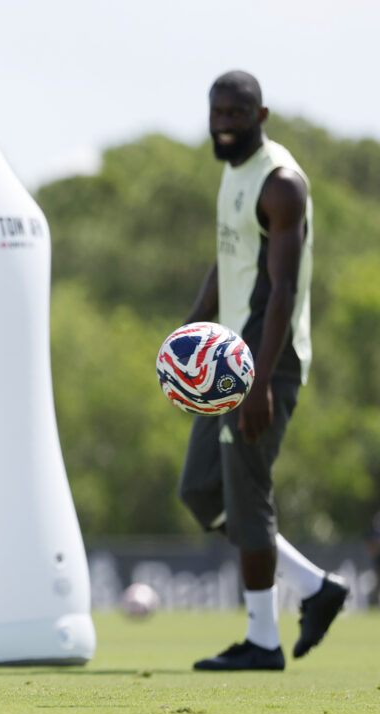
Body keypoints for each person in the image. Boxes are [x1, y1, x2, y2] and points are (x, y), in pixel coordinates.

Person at [178, 71, 348, 671]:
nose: (223, 122)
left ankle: (262, 642)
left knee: (248, 496)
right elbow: (230, 258)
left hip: (265, 365)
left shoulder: (282, 185)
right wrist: (191, 326)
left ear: (261, 114)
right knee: (202, 490)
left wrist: (257, 384)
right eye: (216, 111)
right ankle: (314, 587)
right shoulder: (232, 174)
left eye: (236, 113)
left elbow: (280, 291)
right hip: (226, 358)